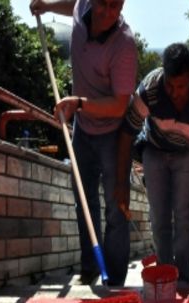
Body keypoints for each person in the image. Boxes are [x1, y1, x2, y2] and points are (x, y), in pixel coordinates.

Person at [30, 0, 138, 286]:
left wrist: (78, 103)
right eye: (102, 3)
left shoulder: (124, 45)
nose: (106, 12)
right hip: (83, 129)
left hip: (113, 133)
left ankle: (114, 278)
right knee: (83, 201)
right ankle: (90, 268)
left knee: (116, 206)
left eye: (115, 6)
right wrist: (47, 6)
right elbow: (74, 5)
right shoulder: (83, 6)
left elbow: (118, 106)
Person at [116, 43, 189, 288]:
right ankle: (164, 277)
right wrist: (121, 185)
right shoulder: (149, 89)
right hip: (155, 151)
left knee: (185, 216)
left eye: (181, 86)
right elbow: (127, 133)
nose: (174, 92)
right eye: (170, 85)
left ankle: (182, 280)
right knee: (159, 217)